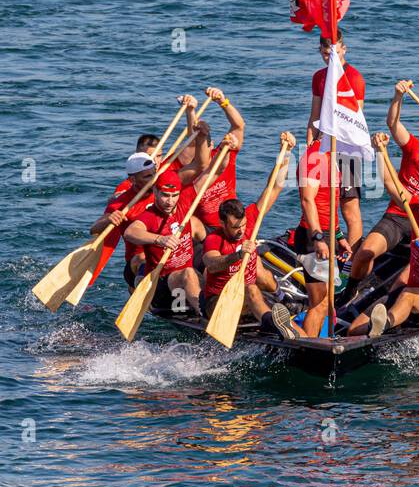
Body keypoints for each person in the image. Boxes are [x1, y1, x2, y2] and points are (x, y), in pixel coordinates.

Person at [342, 79, 419, 298]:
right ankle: (350, 291)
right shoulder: (417, 149)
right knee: (365, 252)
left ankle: (399, 299)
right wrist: (398, 96)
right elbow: (393, 124)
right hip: (398, 216)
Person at [121, 134, 239, 315]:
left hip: (187, 273)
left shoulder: (183, 201)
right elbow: (131, 232)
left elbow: (213, 171)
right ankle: (207, 314)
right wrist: (160, 239)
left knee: (216, 262)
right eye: (164, 196)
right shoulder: (150, 215)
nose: (169, 202)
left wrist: (225, 149)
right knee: (188, 274)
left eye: (173, 196)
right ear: (155, 191)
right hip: (162, 286)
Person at [201, 133, 303, 340]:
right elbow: (211, 264)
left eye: (243, 225)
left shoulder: (249, 221)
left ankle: (284, 303)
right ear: (222, 223)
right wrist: (237, 256)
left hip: (248, 296)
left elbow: (274, 187)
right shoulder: (215, 239)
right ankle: (275, 323)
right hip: (218, 301)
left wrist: (286, 154)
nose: (241, 231)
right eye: (235, 227)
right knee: (252, 290)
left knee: (257, 273)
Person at [346, 183, 419, 338]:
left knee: (409, 295)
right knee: (354, 329)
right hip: (411, 289)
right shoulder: (417, 218)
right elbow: (392, 186)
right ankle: (379, 326)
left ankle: (384, 325)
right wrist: (381, 158)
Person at [306, 30, 365, 248]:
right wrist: (311, 147)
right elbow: (314, 116)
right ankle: (322, 245)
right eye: (324, 54)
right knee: (317, 201)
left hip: (347, 149)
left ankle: (350, 264)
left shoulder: (355, 78)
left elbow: (357, 122)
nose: (328, 58)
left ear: (344, 49)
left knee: (349, 209)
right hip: (322, 148)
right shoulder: (319, 77)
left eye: (334, 53)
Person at [295, 134, 354, 339]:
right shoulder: (315, 157)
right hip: (314, 237)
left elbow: (329, 203)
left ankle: (313, 339)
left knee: (326, 302)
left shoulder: (331, 156)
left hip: (327, 235)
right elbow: (307, 201)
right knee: (320, 304)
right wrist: (318, 238)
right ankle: (306, 345)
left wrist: (338, 236)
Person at [179, 87, 245, 232]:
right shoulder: (188, 169)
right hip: (205, 230)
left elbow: (238, 126)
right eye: (197, 149)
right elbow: (193, 139)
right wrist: (190, 112)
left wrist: (222, 101)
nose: (200, 152)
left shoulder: (224, 152)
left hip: (235, 223)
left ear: (212, 145)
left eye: (204, 147)